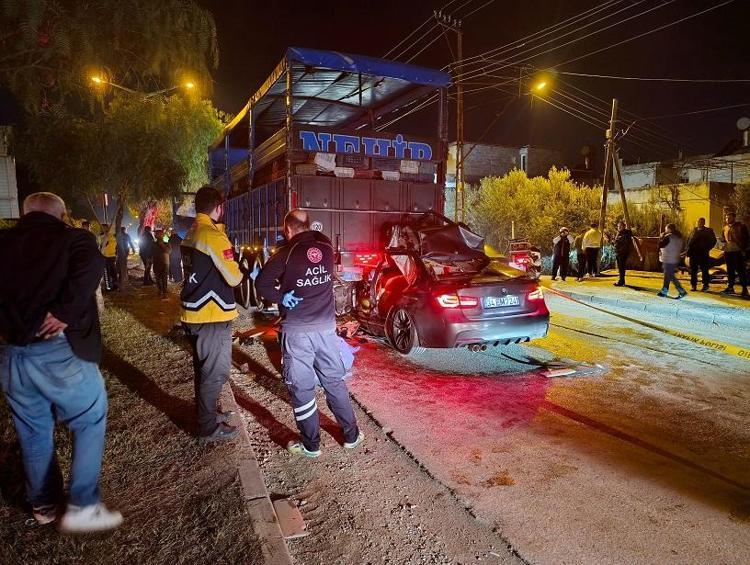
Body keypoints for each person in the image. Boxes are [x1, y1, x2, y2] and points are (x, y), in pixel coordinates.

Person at [0, 192, 122, 532]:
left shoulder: (4, 241)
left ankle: (43, 505)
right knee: (89, 418)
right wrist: (65, 311)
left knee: (32, 430)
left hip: (11, 354)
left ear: (24, 213)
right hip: (57, 352)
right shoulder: (73, 239)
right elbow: (92, 265)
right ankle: (82, 506)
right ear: (62, 214)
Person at [256, 209, 363, 458]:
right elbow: (319, 238)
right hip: (325, 329)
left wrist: (281, 297)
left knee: (302, 388)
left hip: (298, 332)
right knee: (334, 381)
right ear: (309, 227)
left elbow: (261, 284)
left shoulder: (285, 254)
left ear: (287, 230)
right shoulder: (325, 247)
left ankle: (311, 445)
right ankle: (351, 436)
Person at [180, 186, 244, 443]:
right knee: (214, 373)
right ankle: (207, 428)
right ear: (219, 207)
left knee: (203, 370)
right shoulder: (213, 235)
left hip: (194, 312)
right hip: (211, 315)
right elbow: (234, 277)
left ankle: (207, 415)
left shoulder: (191, 232)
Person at [684, 217, 717, 292]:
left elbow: (713, 241)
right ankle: (694, 285)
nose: (700, 223)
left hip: (703, 254)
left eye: (702, 222)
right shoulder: (694, 230)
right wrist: (687, 250)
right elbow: (689, 240)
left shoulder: (708, 231)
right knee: (693, 270)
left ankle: (705, 285)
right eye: (699, 222)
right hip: (693, 254)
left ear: (704, 223)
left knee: (704, 270)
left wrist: (707, 248)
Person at [721, 211, 749, 297]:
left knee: (741, 271)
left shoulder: (741, 226)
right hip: (728, 252)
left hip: (738, 251)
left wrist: (744, 250)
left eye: (729, 217)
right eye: (726, 217)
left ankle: (744, 289)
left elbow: (746, 239)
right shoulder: (725, 228)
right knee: (730, 271)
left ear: (734, 218)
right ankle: (730, 287)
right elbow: (723, 239)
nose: (727, 219)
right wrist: (723, 245)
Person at [657, 223, 687, 299]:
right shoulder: (679, 237)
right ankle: (664, 290)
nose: (665, 230)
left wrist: (661, 237)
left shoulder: (668, 237)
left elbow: (660, 245)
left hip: (668, 258)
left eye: (666, 229)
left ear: (669, 229)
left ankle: (681, 291)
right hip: (675, 258)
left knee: (670, 275)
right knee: (668, 275)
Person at [612, 220, 643, 287]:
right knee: (620, 267)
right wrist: (614, 241)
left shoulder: (626, 233)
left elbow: (625, 241)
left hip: (623, 252)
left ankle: (621, 281)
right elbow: (616, 243)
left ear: (624, 226)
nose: (619, 227)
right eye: (618, 226)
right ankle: (621, 281)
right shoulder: (619, 233)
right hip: (619, 252)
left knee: (621, 267)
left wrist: (617, 241)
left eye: (620, 226)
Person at [115, 226, 136, 290]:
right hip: (123, 250)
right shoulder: (125, 236)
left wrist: (133, 249)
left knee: (121, 263)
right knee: (122, 263)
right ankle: (122, 275)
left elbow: (130, 242)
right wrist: (133, 249)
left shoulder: (122, 236)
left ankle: (122, 276)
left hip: (123, 251)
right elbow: (130, 243)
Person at [152, 228, 170, 299]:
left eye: (160, 234)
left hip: (165, 263)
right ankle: (160, 290)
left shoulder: (166, 243)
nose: (158, 235)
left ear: (162, 235)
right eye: (157, 234)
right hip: (156, 263)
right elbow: (150, 253)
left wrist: (162, 244)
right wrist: (149, 260)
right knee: (158, 278)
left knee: (164, 278)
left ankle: (164, 292)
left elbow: (168, 251)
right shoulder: (153, 244)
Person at [99, 224, 118, 291]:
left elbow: (116, 246)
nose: (104, 229)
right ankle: (108, 287)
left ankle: (115, 286)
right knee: (107, 273)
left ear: (108, 228)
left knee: (113, 272)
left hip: (112, 257)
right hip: (105, 257)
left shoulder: (112, 236)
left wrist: (116, 254)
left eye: (105, 228)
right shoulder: (101, 237)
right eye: (103, 228)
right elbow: (101, 246)